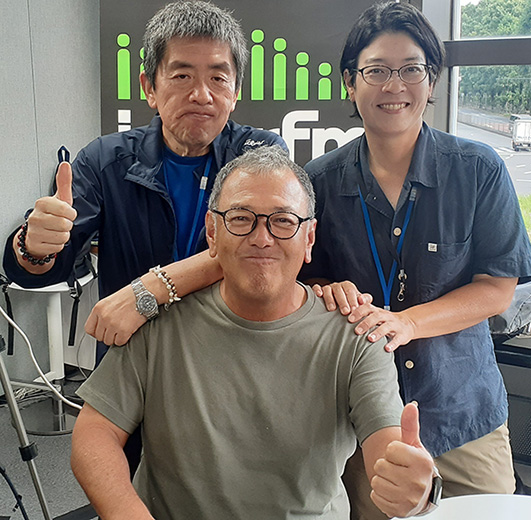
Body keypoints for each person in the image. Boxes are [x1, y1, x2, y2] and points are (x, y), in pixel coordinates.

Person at [71, 146, 438, 520]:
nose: (262, 238)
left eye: (283, 221)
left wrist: (413, 485)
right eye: (241, 218)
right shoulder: (158, 324)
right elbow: (95, 433)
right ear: (212, 232)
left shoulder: (355, 336)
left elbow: (388, 444)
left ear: (309, 238)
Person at [297, 1, 531, 520]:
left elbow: (497, 289)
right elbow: (300, 282)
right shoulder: (317, 182)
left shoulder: (478, 170)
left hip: (462, 412)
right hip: (360, 418)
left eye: (411, 69)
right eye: (377, 71)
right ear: (350, 83)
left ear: (432, 83)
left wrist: (407, 322)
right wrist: (321, 290)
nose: (395, 86)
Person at [2, 0, 286, 359]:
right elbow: (41, 268)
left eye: (218, 78)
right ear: (149, 88)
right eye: (182, 76)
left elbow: (262, 253)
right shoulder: (105, 160)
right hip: (134, 356)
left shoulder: (259, 155)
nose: (201, 95)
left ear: (235, 93)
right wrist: (34, 246)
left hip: (230, 354)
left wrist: (152, 288)